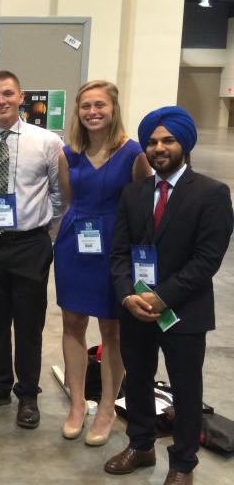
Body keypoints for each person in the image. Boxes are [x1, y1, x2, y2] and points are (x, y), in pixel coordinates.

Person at [104, 107, 233, 485]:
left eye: (167, 140)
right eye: (152, 142)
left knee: (186, 388)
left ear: (184, 144)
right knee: (139, 380)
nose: (159, 148)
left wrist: (162, 298)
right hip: (136, 310)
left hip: (184, 312)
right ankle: (141, 445)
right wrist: (128, 295)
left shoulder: (211, 193)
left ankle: (182, 464)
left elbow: (206, 260)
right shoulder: (134, 193)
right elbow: (119, 252)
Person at [0, 70, 64, 429]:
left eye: (7, 94)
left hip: (31, 245)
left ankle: (28, 394)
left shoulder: (47, 142)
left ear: (21, 96)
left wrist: (39, 227)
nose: (0, 101)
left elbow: (59, 193)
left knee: (29, 325)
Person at [53, 81, 151, 445]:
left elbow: (141, 206)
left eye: (100, 105)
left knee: (112, 329)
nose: (93, 112)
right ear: (77, 112)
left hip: (115, 247)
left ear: (113, 109)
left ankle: (108, 407)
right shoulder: (68, 154)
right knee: (72, 323)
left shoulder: (134, 154)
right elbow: (69, 198)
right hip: (74, 245)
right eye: (85, 107)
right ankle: (77, 404)